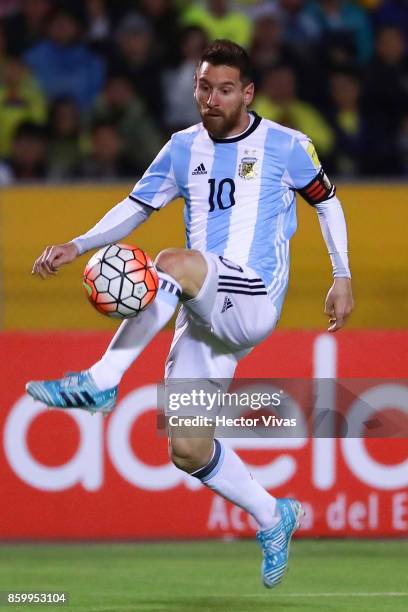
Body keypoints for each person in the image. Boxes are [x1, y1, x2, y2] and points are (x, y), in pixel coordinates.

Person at [26, 40, 354, 589]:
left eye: (225, 89)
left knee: (168, 262)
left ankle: (102, 380)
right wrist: (77, 244)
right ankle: (275, 516)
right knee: (187, 446)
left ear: (247, 93)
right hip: (203, 313)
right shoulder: (181, 149)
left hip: (251, 297)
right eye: (204, 87)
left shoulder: (288, 145)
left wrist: (341, 275)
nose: (211, 98)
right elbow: (136, 206)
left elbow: (327, 201)